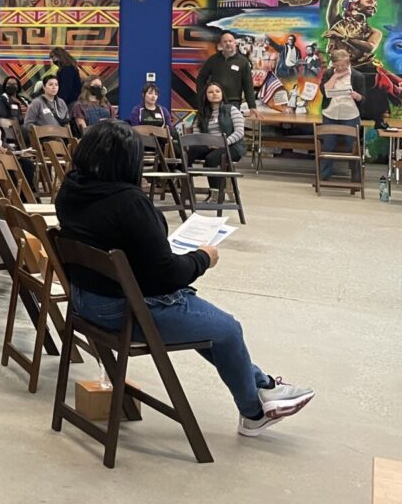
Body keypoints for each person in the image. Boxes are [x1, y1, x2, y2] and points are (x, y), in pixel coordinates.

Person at [55, 120, 314, 436]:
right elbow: (168, 276)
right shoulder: (129, 202)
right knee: (228, 330)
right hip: (126, 310)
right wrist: (203, 257)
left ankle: (264, 386)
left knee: (209, 324)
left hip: (86, 301)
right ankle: (255, 412)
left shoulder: (71, 190)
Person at [185, 82, 246, 189]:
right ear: (206, 95)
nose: (214, 94)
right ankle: (183, 183)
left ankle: (216, 192)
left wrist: (222, 143)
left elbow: (239, 132)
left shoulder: (231, 110)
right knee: (189, 152)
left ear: (222, 94)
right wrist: (208, 145)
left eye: (217, 91)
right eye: (210, 92)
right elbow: (197, 135)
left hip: (231, 146)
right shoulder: (201, 113)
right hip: (209, 146)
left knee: (211, 159)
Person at [318, 48, 366, 184]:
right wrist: (335, 76)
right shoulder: (328, 73)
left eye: (343, 65)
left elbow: (364, 99)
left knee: (353, 145)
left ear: (348, 62)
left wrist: (358, 97)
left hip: (350, 115)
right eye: (337, 65)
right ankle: (324, 176)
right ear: (332, 64)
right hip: (330, 114)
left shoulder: (357, 76)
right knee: (328, 145)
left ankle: (356, 177)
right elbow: (324, 91)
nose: (340, 67)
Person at [195, 31, 256, 112]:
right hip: (214, 101)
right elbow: (201, 78)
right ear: (220, 45)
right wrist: (203, 95)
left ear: (235, 43)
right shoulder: (213, 59)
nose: (228, 43)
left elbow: (248, 84)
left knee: (230, 124)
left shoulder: (243, 62)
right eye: (225, 41)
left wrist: (252, 106)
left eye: (230, 41)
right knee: (214, 124)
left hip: (233, 102)